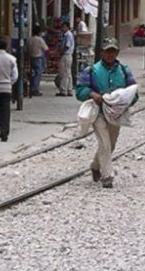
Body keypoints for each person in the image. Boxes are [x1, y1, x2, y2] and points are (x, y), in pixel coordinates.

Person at [77, 40, 136, 189]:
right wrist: (92, 94)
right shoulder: (91, 70)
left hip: (116, 114)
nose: (110, 54)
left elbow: (133, 91)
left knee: (112, 143)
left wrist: (126, 100)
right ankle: (107, 175)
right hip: (99, 112)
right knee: (104, 143)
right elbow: (79, 91)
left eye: (113, 51)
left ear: (116, 53)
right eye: (107, 51)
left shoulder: (124, 70)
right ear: (102, 52)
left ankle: (95, 165)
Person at [54, 21, 76, 97]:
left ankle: (63, 90)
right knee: (68, 73)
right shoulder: (66, 35)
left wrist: (60, 52)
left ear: (66, 27)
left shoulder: (68, 35)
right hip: (68, 55)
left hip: (66, 55)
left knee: (64, 73)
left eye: (63, 27)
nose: (62, 29)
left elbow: (67, 46)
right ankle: (69, 89)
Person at [25, 27, 47, 98]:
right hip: (38, 57)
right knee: (38, 73)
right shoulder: (39, 39)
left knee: (32, 73)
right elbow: (45, 48)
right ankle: (35, 89)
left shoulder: (29, 39)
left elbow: (27, 48)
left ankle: (31, 87)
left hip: (30, 57)